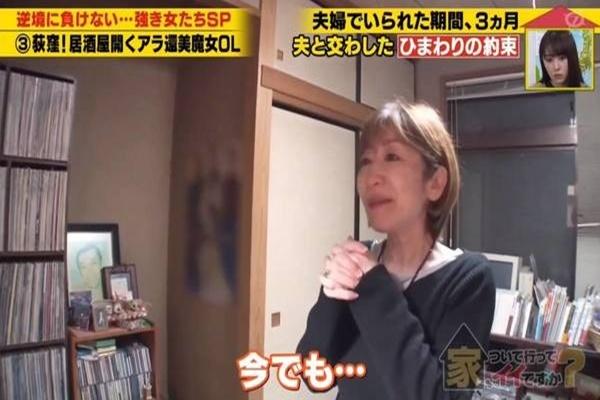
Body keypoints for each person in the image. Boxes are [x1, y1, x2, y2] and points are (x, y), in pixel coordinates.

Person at [296, 100, 496, 399]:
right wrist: (331, 295)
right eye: (366, 161)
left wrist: (375, 287)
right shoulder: (357, 261)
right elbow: (312, 374)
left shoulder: (470, 280)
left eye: (392, 156)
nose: (371, 177)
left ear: (435, 183)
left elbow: (453, 394)